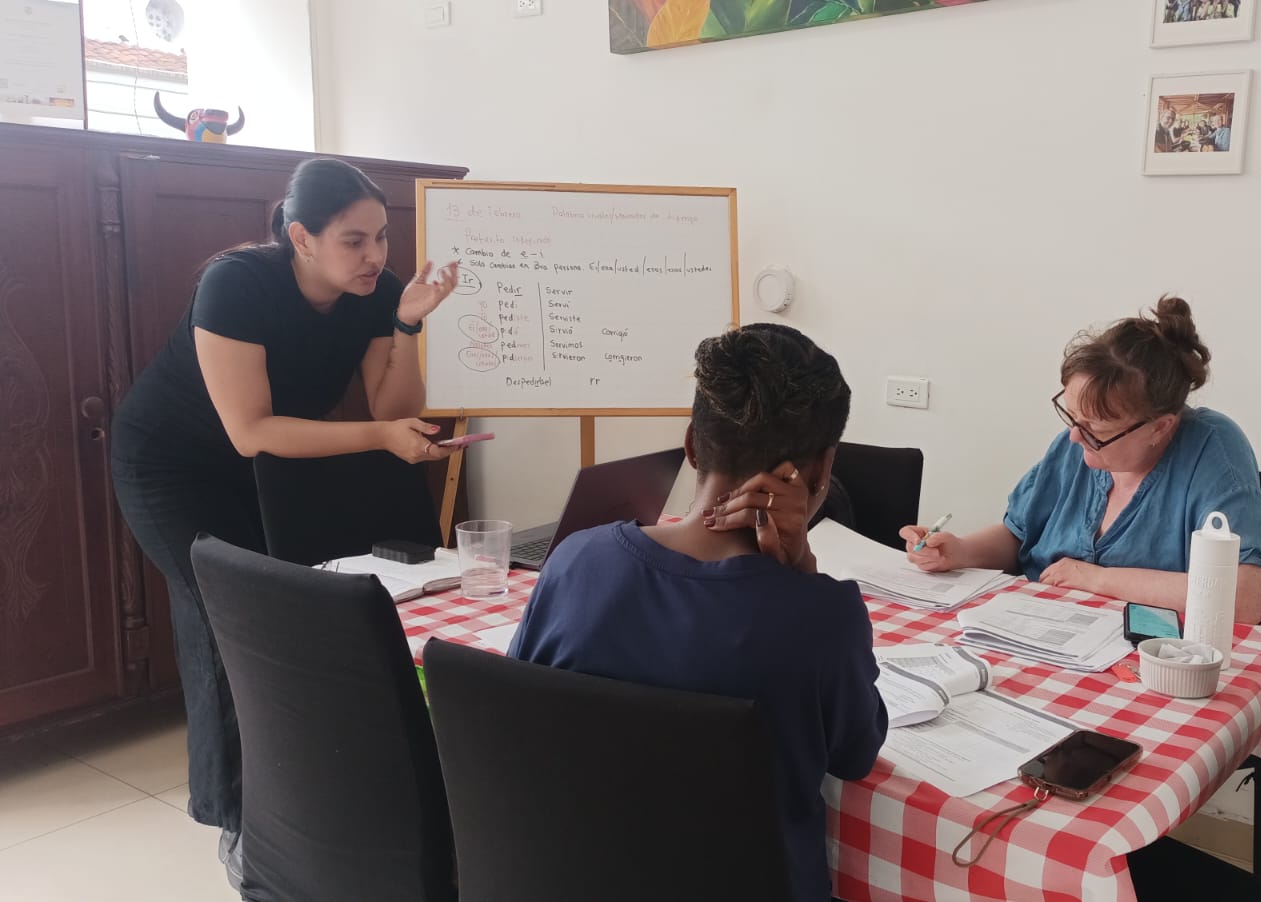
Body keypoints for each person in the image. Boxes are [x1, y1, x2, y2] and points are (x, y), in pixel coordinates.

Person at [110, 158, 462, 886]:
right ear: (301, 237)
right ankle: (241, 830)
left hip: (258, 467)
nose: (374, 257)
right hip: (170, 466)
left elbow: (393, 408)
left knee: (270, 625)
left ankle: (292, 807)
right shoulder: (236, 284)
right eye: (353, 241)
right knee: (227, 625)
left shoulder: (378, 293)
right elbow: (252, 428)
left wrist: (406, 324)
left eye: (381, 239)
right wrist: (381, 439)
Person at [507, 323, 887, 902]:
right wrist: (803, 567)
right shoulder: (819, 616)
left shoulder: (577, 561)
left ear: (690, 445)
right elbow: (855, 756)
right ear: (822, 471)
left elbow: (524, 703)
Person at [899, 297, 1261, 625]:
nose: (1074, 436)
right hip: (1039, 632)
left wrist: (1096, 579)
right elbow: (1019, 534)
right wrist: (960, 551)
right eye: (1071, 417)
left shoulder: (1211, 449)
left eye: (1096, 428)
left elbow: (1251, 596)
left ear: (1160, 427)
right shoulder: (1078, 444)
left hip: (1145, 661)